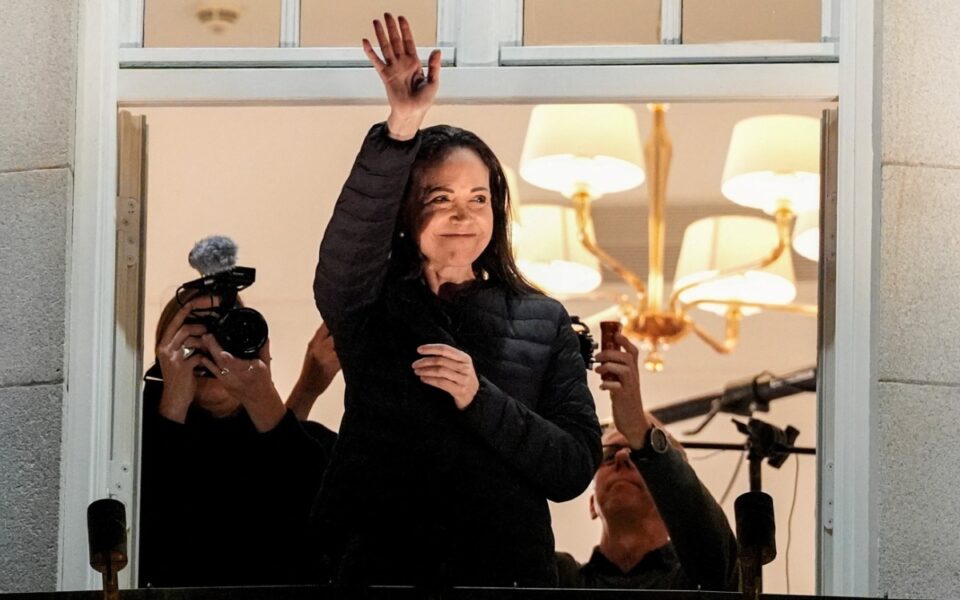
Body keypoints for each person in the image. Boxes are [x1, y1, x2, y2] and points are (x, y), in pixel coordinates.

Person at [310, 14, 601, 587]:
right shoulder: (367, 304)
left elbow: (571, 468)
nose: (462, 215)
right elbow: (346, 250)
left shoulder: (543, 320)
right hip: (381, 574)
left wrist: (479, 397)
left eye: (478, 198)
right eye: (440, 197)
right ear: (405, 211)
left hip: (505, 578)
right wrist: (402, 126)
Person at [138, 292, 341, 588]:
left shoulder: (306, 445)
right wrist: (172, 402)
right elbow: (147, 531)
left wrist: (263, 396)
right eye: (194, 335)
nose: (212, 349)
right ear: (166, 352)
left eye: (225, 332)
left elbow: (318, 524)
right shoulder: (126, 442)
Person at [555, 332, 739, 591]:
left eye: (636, 454)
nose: (621, 457)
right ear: (592, 504)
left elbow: (716, 556)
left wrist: (639, 430)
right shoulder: (560, 580)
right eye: (609, 455)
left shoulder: (696, 580)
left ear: (669, 498)